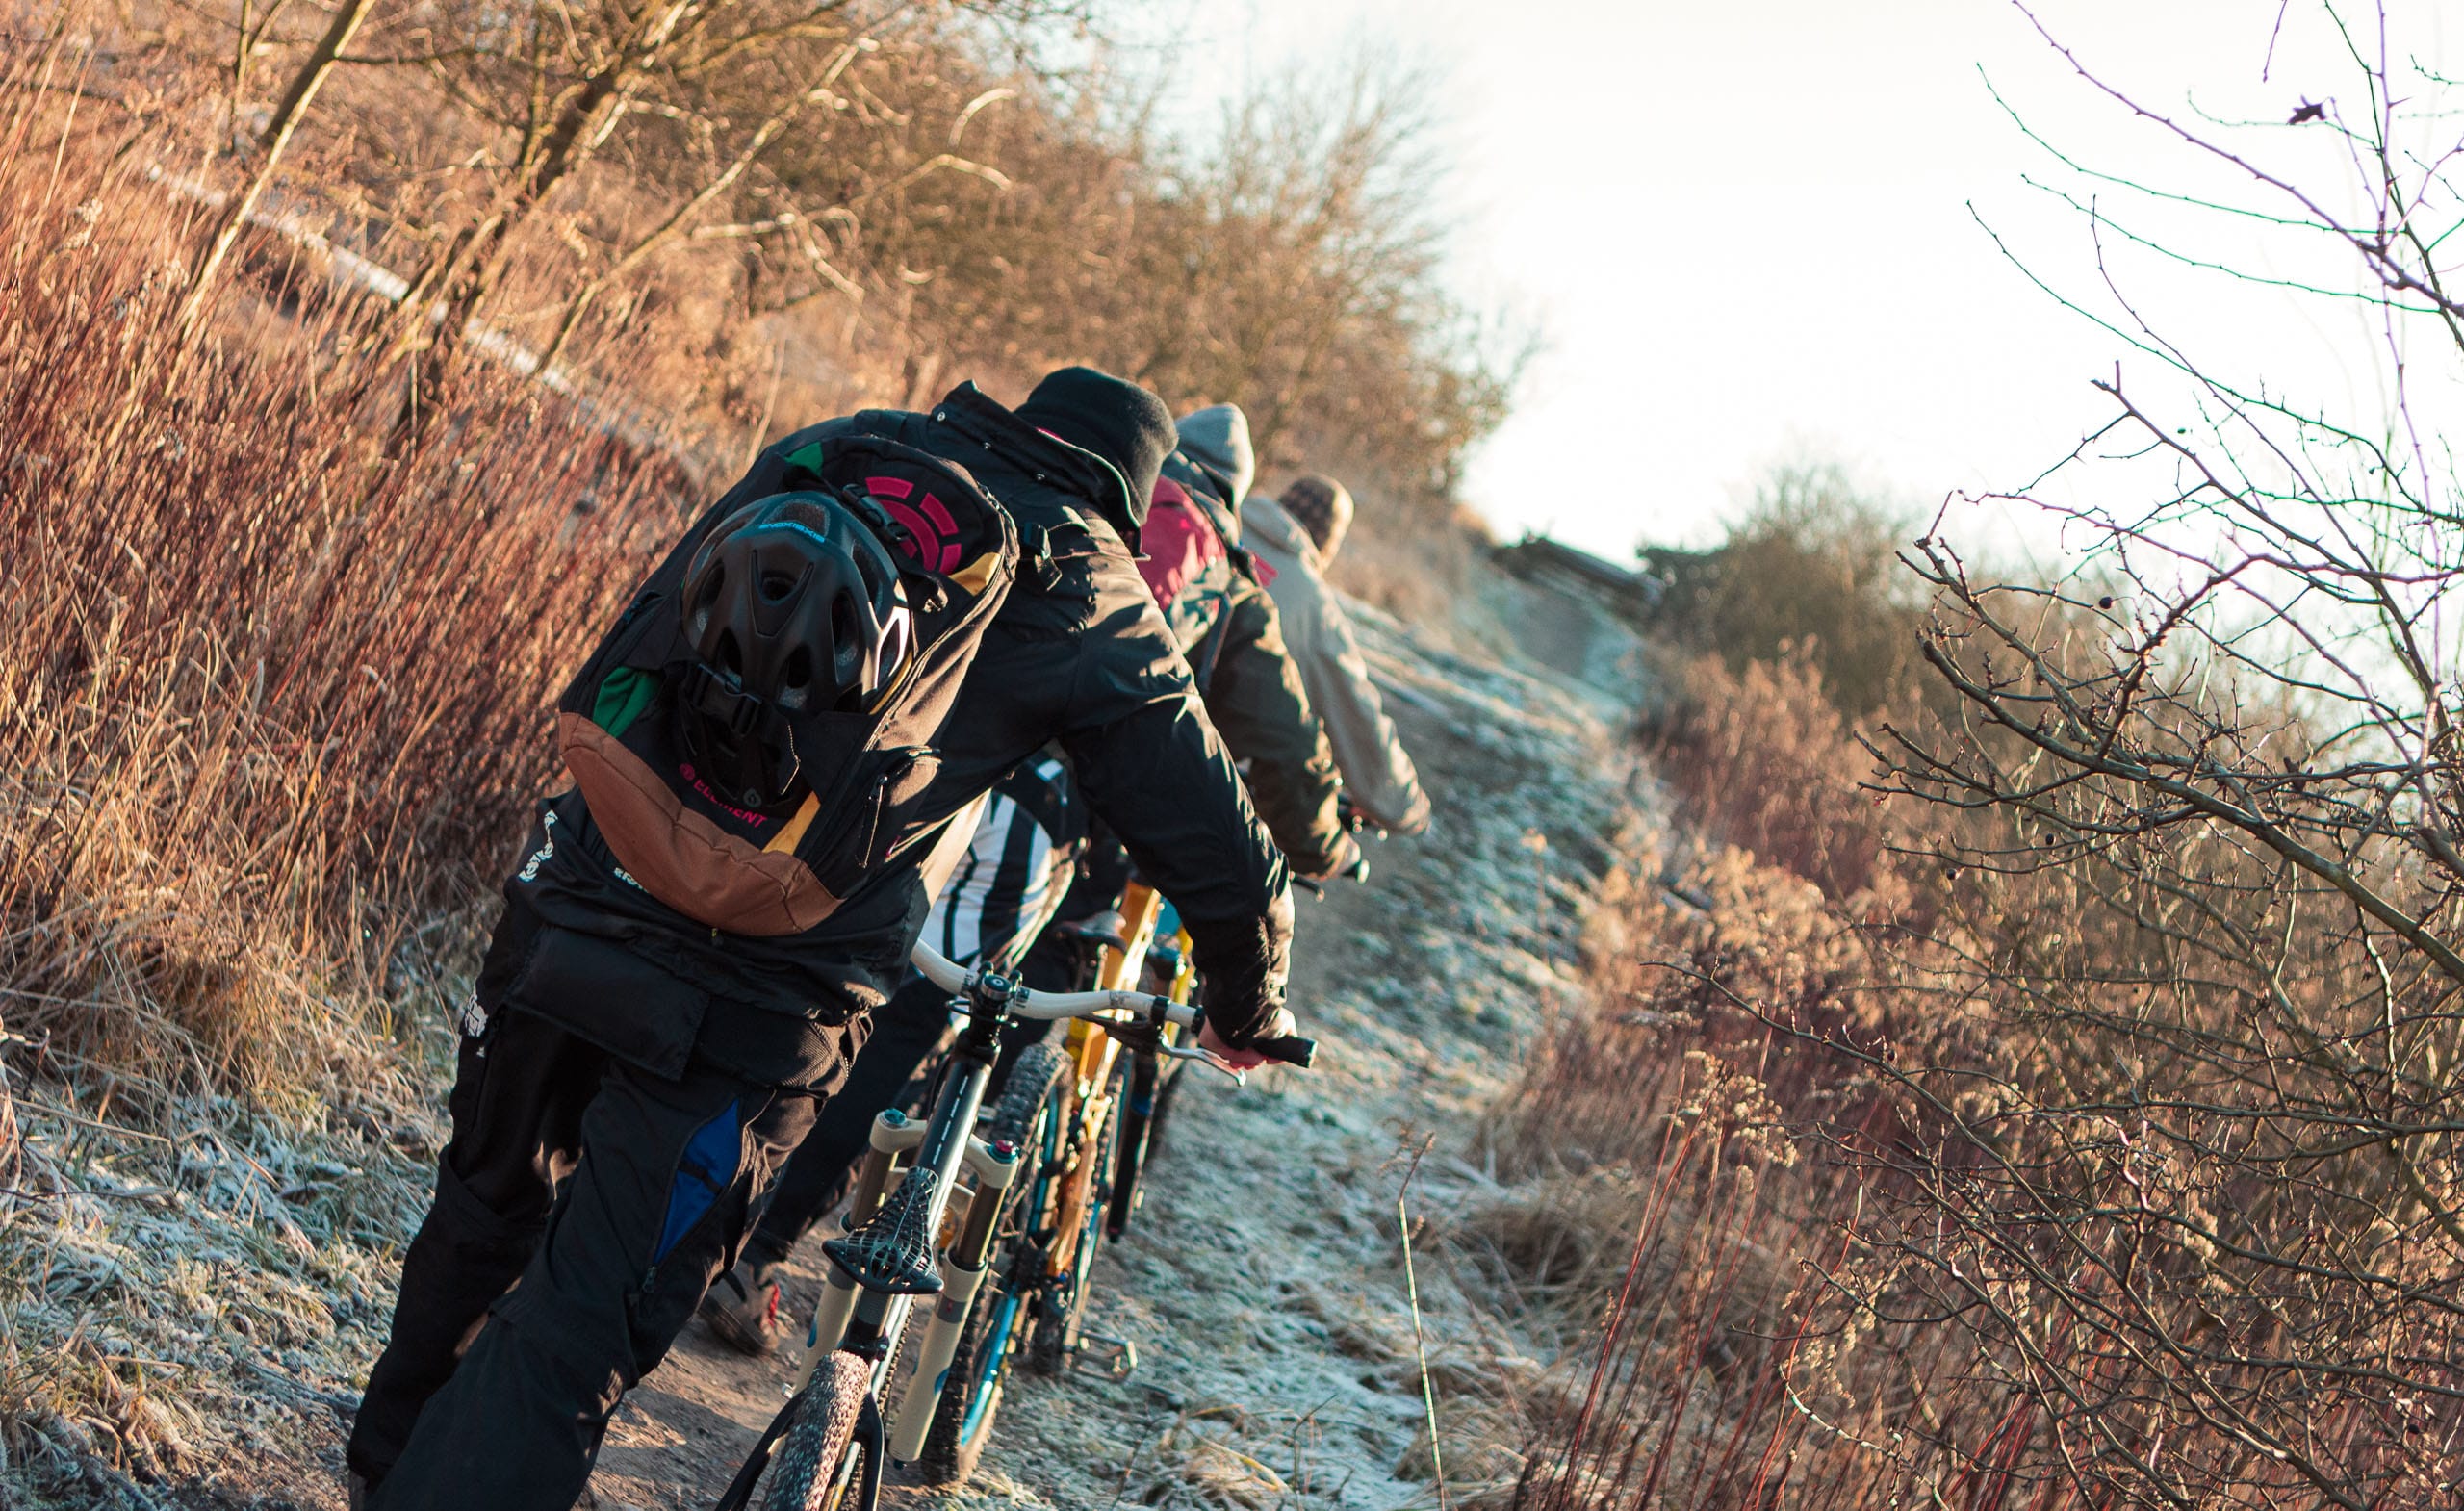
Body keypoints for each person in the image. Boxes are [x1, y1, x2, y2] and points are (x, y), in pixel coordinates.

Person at [346, 367, 1299, 1511]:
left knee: (483, 1200)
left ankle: (382, 1468)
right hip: (754, 1004)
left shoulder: (850, 447)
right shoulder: (1091, 584)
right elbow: (1219, 843)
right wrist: (1248, 1004)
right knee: (588, 1311)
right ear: (1127, 495)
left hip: (580, 886)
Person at [698, 410, 1359, 1353]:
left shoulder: (1089, 511)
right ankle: (753, 1248)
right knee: (913, 1011)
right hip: (1035, 815)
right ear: (1237, 497)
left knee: (830, 963)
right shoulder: (1225, 579)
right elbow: (1283, 759)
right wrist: (1326, 845)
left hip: (925, 757)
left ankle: (698, 1186)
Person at [1242, 474, 1431, 836]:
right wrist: (1403, 805)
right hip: (1199, 754)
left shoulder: (1219, 519)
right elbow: (1353, 711)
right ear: (1327, 543)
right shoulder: (1312, 602)